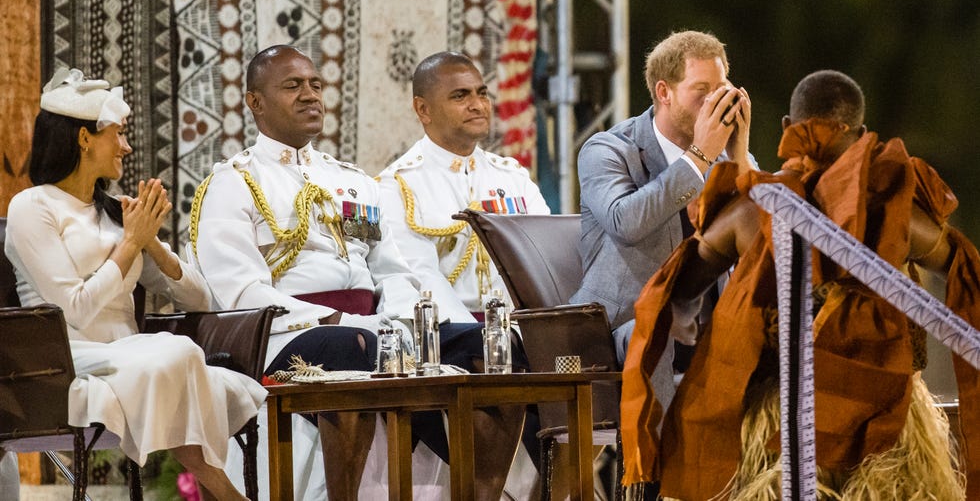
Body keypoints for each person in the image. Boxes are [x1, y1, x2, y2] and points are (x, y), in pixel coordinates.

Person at [620, 70, 980, 500]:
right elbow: (965, 272)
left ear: (789, 129)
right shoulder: (896, 212)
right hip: (887, 423)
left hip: (779, 426)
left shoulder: (751, 212)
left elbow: (677, 290)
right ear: (862, 133)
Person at [3, 68, 265, 500]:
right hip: (67, 358)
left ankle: (219, 488)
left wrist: (153, 246)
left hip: (130, 353)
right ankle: (223, 489)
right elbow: (74, 310)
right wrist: (129, 245)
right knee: (177, 353)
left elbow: (200, 299)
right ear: (84, 138)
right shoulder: (32, 207)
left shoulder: (115, 214)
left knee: (178, 355)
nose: (126, 146)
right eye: (118, 134)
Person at [191, 44, 418, 499]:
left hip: (371, 325)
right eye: (292, 86)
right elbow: (240, 291)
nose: (310, 95)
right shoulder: (232, 182)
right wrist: (333, 320)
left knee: (472, 347)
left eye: (315, 84)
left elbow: (391, 269)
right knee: (354, 345)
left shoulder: (352, 180)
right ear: (254, 102)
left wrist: (404, 319)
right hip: (280, 335)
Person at [377, 50, 549, 497]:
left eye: (481, 93)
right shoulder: (399, 185)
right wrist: (494, 336)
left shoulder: (513, 179)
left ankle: (562, 481)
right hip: (445, 335)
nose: (477, 104)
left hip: (517, 333)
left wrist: (536, 325)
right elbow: (418, 277)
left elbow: (543, 262)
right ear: (423, 109)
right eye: (460, 96)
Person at [572, 30, 755, 396]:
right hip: (620, 326)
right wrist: (698, 157)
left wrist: (739, 155)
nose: (715, 104)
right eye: (702, 91)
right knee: (659, 329)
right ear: (664, 92)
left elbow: (760, 235)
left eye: (721, 90)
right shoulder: (609, 149)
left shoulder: (725, 158)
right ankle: (656, 455)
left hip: (708, 321)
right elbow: (626, 222)